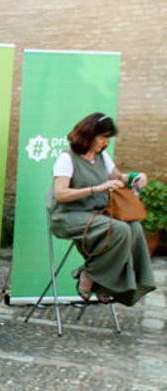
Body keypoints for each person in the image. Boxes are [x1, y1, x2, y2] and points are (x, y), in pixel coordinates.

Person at [51, 112, 155, 305]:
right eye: (103, 137)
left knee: (134, 228)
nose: (106, 142)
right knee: (120, 229)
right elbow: (60, 194)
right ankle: (91, 275)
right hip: (68, 216)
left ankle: (106, 284)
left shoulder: (102, 156)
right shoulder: (67, 158)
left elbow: (119, 178)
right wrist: (95, 189)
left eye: (108, 137)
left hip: (97, 215)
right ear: (89, 134)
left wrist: (136, 177)